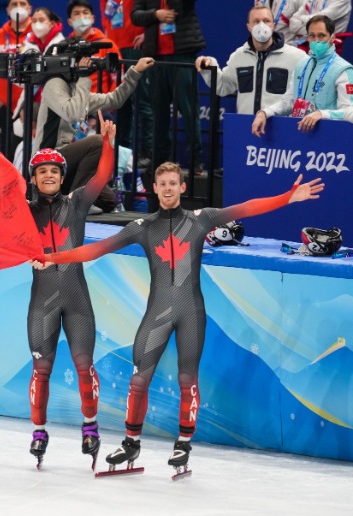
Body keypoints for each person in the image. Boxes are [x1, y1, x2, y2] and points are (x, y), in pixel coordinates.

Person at [37, 162, 324, 471]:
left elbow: (246, 208)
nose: (169, 188)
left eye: (174, 183)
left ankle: (183, 445)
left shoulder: (202, 220)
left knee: (188, 380)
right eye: (163, 184)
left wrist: (287, 198)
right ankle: (131, 443)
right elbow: (96, 250)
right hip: (157, 313)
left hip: (191, 312)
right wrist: (52, 258)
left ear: (183, 188)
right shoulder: (142, 227)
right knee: (138, 380)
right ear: (155, 189)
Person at [26, 112, 116, 468]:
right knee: (41, 370)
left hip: (77, 300)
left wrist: (106, 143)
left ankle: (91, 426)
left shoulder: (77, 203)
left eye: (54, 171)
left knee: (84, 367)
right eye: (42, 171)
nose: (48, 175)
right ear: (33, 179)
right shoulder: (24, 211)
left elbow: (103, 176)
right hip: (42, 302)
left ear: (63, 178)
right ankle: (38, 431)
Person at [33, 54, 154, 209]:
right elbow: (73, 113)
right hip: (49, 156)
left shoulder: (79, 93)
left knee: (109, 201)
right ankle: (77, 203)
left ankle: (74, 197)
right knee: (97, 142)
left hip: (71, 162)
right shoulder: (53, 84)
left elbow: (115, 99)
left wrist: (135, 72)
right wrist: (84, 78)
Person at [131, 0, 206, 176]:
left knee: (189, 110)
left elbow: (181, 6)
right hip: (156, 58)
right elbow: (135, 16)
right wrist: (156, 14)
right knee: (159, 112)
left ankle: (195, 161)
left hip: (182, 56)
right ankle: (161, 160)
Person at [252, 14, 353, 135]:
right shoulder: (301, 65)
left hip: (328, 138)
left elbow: (349, 111)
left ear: (332, 37)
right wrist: (264, 112)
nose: (316, 40)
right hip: (299, 135)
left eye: (321, 35)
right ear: (307, 38)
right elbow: (289, 102)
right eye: (312, 36)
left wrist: (321, 114)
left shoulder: (343, 70)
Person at [196, 5, 306, 115]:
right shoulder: (239, 56)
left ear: (273, 26)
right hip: (246, 125)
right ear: (249, 27)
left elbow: (305, 93)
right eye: (256, 21)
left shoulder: (296, 57)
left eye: (266, 21)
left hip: (279, 127)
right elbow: (223, 87)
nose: (262, 25)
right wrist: (209, 66)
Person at [0, 0, 34, 156]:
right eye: (14, 4)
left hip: (29, 103)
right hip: (3, 103)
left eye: (22, 4)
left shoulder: (36, 35)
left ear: (30, 9)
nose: (18, 8)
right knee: (4, 146)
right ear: (8, 10)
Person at [100, 0, 153, 159]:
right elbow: (106, 22)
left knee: (142, 102)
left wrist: (149, 35)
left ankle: (148, 152)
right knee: (120, 103)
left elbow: (154, 12)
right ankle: (122, 152)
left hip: (134, 49)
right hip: (113, 50)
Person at [67, 0, 123, 93]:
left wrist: (108, 105)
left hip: (99, 104)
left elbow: (118, 78)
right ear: (70, 21)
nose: (81, 17)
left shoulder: (107, 45)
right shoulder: (65, 47)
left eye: (85, 13)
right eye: (76, 13)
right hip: (71, 104)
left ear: (92, 19)